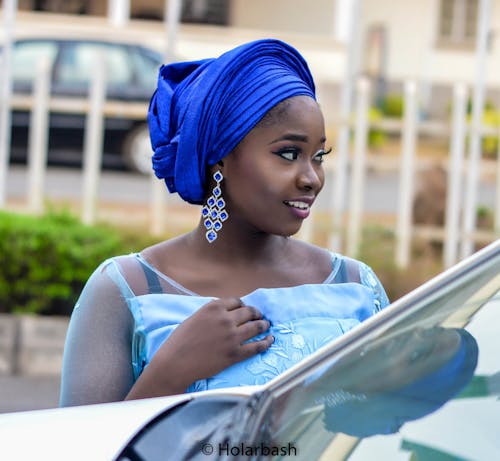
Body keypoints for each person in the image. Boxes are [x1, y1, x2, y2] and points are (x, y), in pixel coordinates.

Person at [59, 39, 389, 407]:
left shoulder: (356, 287)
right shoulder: (128, 290)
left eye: (318, 156)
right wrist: (172, 370)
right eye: (289, 154)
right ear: (219, 158)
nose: (311, 177)